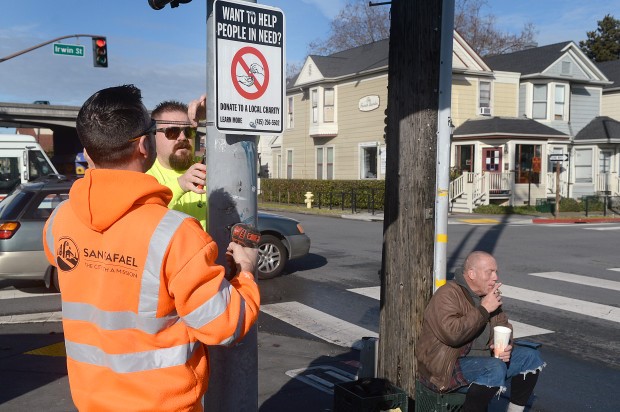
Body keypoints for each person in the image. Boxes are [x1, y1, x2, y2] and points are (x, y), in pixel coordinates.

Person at [42, 85, 260, 411]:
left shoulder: (59, 221)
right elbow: (225, 326)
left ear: (88, 153)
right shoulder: (175, 234)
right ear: (144, 145)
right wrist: (245, 273)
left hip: (91, 401)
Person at [416, 251, 545, 412]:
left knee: (530, 357)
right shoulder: (448, 294)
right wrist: (484, 309)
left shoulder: (489, 295)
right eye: (489, 272)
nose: (495, 277)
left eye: (496, 271)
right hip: (448, 367)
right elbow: (452, 335)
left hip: (485, 359)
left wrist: (506, 346)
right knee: (494, 369)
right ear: (472, 274)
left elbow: (504, 326)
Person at [146, 97, 208, 229]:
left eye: (188, 131)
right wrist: (180, 185)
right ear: (153, 136)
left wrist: (214, 111)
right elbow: (143, 220)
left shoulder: (208, 167)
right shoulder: (144, 174)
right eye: (172, 132)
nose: (183, 137)